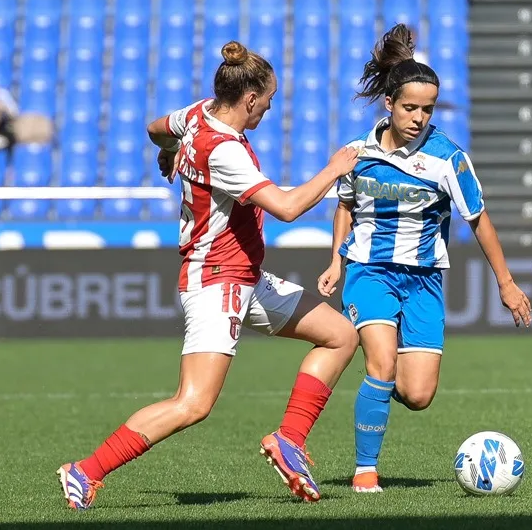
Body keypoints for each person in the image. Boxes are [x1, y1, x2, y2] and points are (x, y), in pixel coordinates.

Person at [56, 41, 361, 509]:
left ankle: (289, 441)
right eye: (269, 99)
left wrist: (170, 151)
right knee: (193, 403)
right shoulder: (224, 151)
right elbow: (286, 207)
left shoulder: (198, 113)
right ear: (250, 98)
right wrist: (333, 170)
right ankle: (85, 471)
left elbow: (155, 128)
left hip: (245, 276)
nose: (270, 108)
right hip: (217, 281)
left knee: (340, 335)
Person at [316, 24, 532, 494]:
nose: (418, 118)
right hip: (370, 272)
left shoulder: (447, 158)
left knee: (417, 394)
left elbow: (479, 219)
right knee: (380, 364)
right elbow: (345, 206)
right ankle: (365, 471)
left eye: (427, 109)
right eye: (410, 108)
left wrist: (506, 282)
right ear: (389, 103)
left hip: (424, 280)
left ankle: (379, 387)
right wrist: (337, 261)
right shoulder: (357, 153)